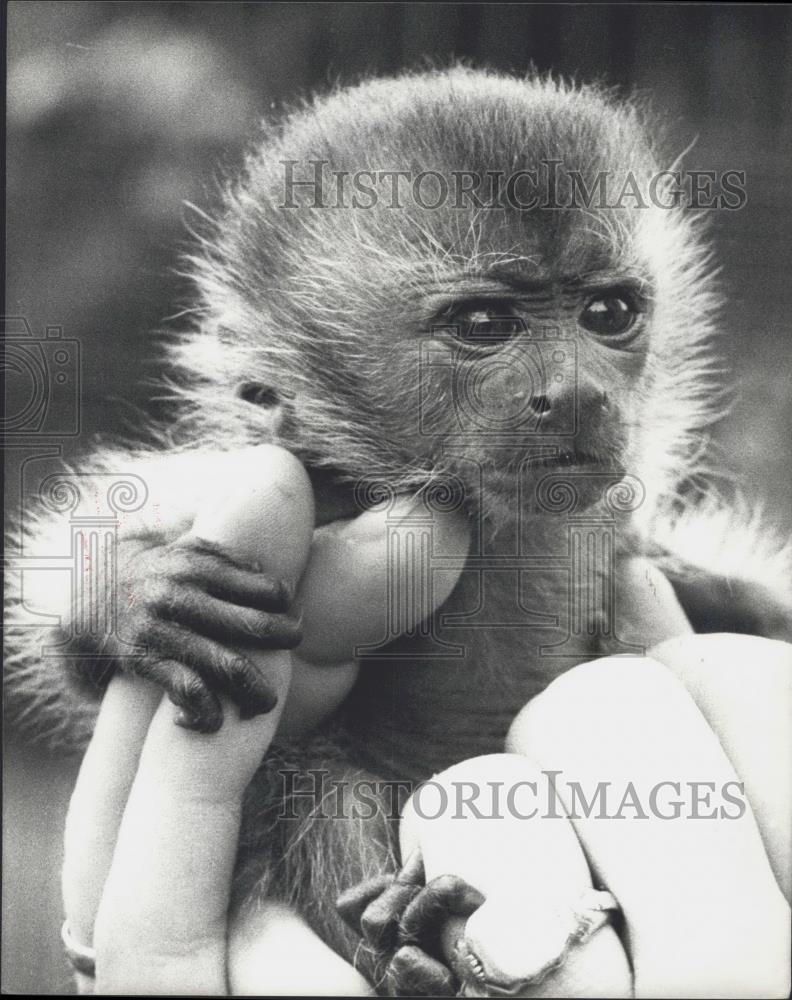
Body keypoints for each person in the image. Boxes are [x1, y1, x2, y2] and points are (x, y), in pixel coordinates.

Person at [60, 477, 791, 996]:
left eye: (608, 313)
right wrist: (123, 591)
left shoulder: (647, 565)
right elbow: (88, 579)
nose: (569, 386)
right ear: (272, 388)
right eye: (480, 323)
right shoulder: (256, 501)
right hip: (334, 878)